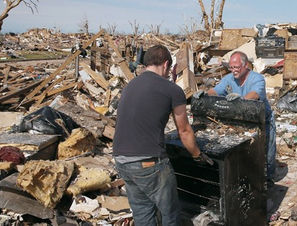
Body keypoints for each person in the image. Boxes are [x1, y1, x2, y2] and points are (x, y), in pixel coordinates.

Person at [113, 45, 212, 226]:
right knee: (170, 212)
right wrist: (198, 155)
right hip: (149, 163)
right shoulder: (171, 89)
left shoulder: (130, 85)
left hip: (122, 161)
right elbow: (184, 131)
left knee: (143, 213)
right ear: (166, 64)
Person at [194, 51, 277, 186]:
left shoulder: (257, 78)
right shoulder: (229, 79)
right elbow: (217, 90)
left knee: (267, 151)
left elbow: (255, 94)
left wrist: (242, 100)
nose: (233, 71)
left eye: (236, 67)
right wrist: (205, 94)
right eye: (231, 68)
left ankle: (269, 179)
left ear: (245, 65)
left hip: (263, 120)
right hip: (243, 120)